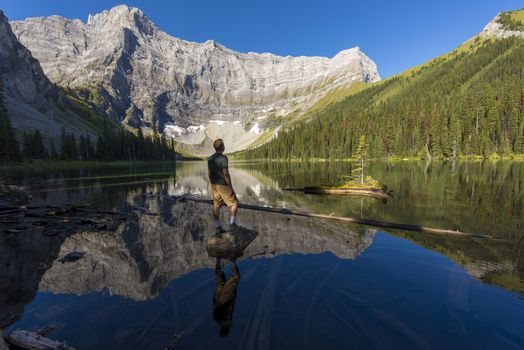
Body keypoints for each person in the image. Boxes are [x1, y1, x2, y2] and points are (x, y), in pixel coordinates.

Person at [208, 139, 238, 234]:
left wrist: (212, 183)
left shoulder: (210, 158)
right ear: (222, 147)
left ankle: (218, 227)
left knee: (216, 205)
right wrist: (230, 187)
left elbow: (209, 173)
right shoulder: (223, 158)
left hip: (214, 185)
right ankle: (232, 224)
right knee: (234, 204)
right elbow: (226, 174)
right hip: (222, 184)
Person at [213, 258, 240, 337]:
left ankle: (233, 259)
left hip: (224, 300)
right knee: (220, 277)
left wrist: (233, 292)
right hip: (216, 299)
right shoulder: (217, 320)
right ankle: (218, 258)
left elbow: (230, 308)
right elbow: (215, 309)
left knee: (236, 278)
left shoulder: (228, 323)